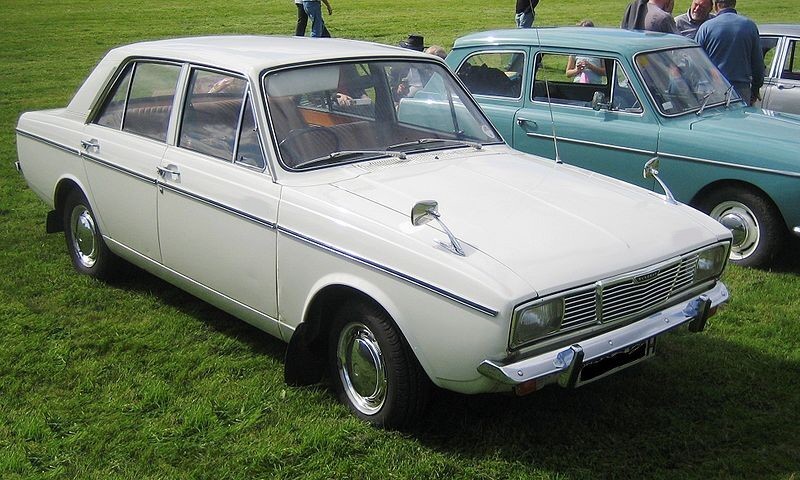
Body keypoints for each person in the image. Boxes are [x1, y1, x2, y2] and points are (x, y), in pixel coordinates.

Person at [695, 0, 764, 105]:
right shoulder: (749, 26)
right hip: (740, 89)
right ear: (734, 4)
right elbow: (758, 63)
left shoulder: (706, 27)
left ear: (716, 6)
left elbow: (696, 60)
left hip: (712, 88)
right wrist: (755, 88)